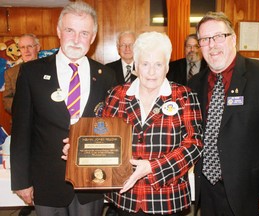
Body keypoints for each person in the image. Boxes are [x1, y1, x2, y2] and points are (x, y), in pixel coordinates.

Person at [10, 1, 116, 216]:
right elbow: (21, 131)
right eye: (70, 30)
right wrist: (21, 181)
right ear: (59, 31)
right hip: (47, 182)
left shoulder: (106, 76)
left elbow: (112, 131)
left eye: (84, 33)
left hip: (92, 183)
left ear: (93, 38)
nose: (77, 39)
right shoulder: (31, 73)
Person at [189, 11, 259, 216]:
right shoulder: (194, 84)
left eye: (218, 37)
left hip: (252, 195)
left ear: (233, 39)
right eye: (205, 40)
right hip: (208, 191)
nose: (212, 45)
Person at [102, 31, 203, 215]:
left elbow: (194, 144)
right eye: (145, 64)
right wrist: (80, 146)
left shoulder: (184, 96)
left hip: (168, 198)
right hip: (126, 196)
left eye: (158, 64)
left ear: (167, 67)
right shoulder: (117, 95)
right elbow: (103, 136)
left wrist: (152, 167)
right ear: (136, 65)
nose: (151, 71)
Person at [3, 33, 40, 114]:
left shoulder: (49, 68)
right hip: (21, 120)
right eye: (22, 47)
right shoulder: (10, 73)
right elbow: (7, 100)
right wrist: (23, 111)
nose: (26, 50)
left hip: (46, 121)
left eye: (30, 46)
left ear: (37, 48)